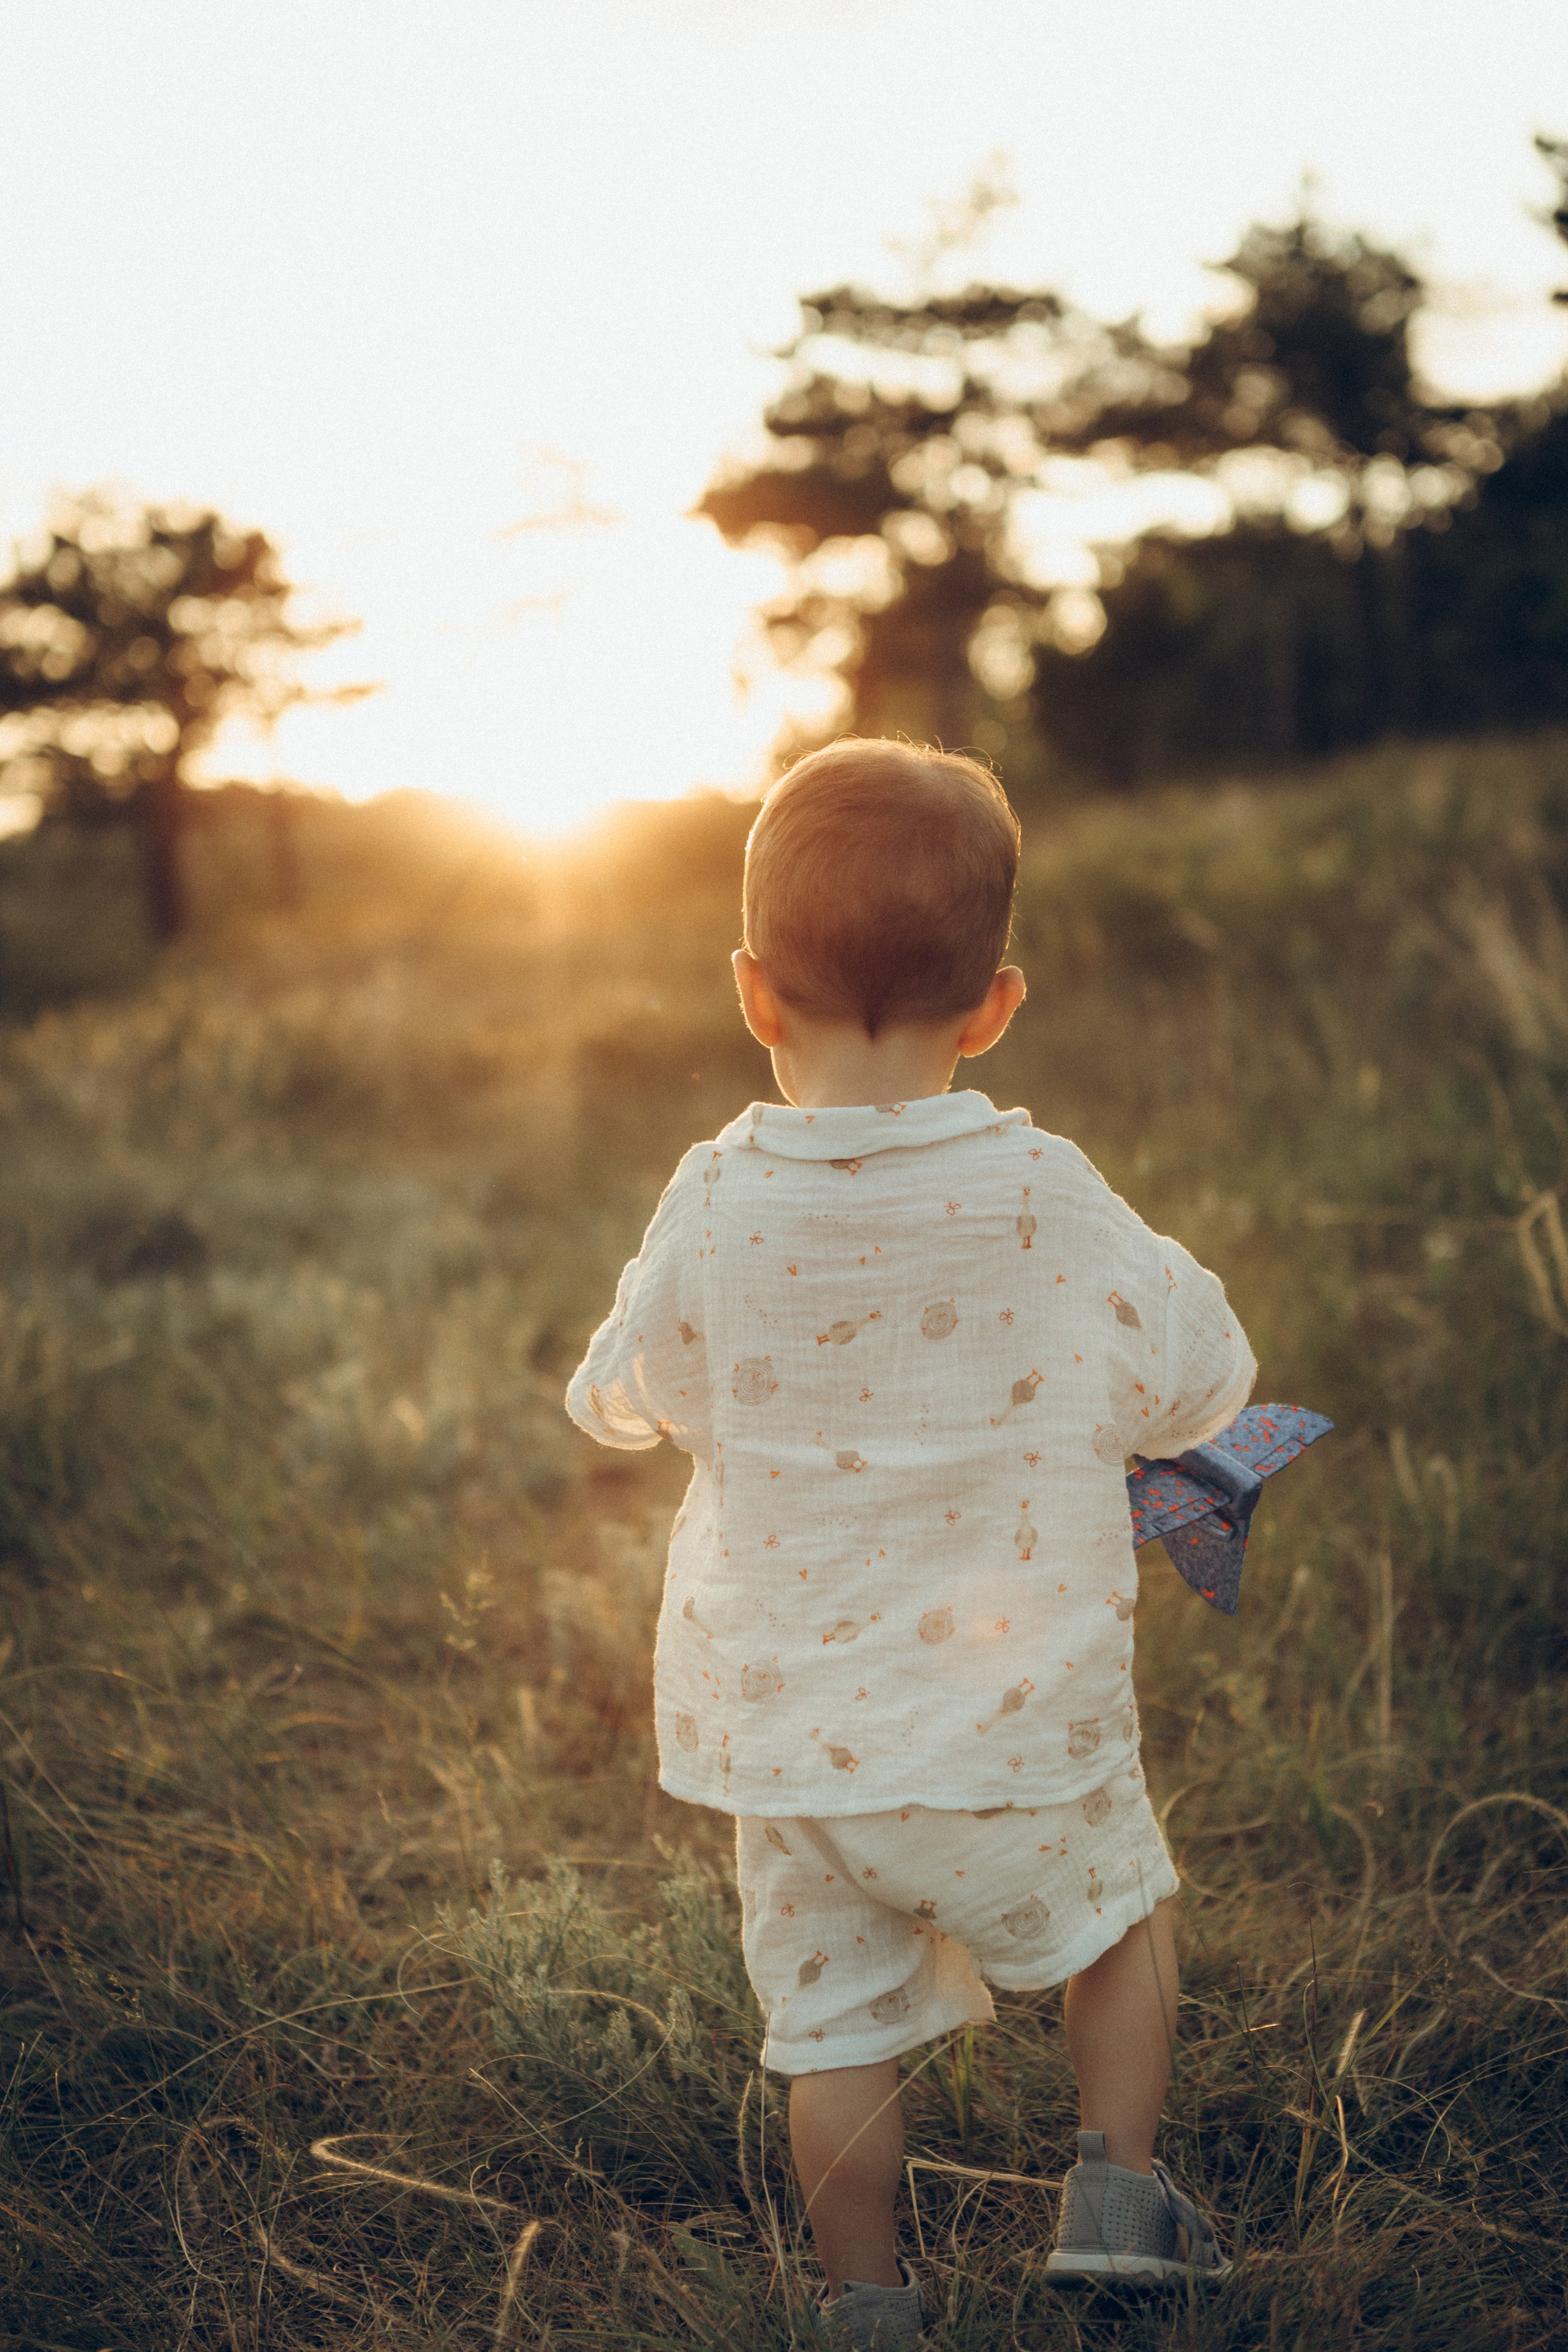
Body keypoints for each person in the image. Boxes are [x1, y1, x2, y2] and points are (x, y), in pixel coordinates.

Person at [566, 738, 1251, 2345]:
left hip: (796, 1748)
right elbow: (1201, 1372)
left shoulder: (714, 1197)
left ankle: (868, 2302)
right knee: (1123, 1916)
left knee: (832, 2033)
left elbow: (626, 1394)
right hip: (1018, 1731)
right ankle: (1120, 2206)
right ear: (994, 1006)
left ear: (754, 994)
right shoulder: (1049, 1194)